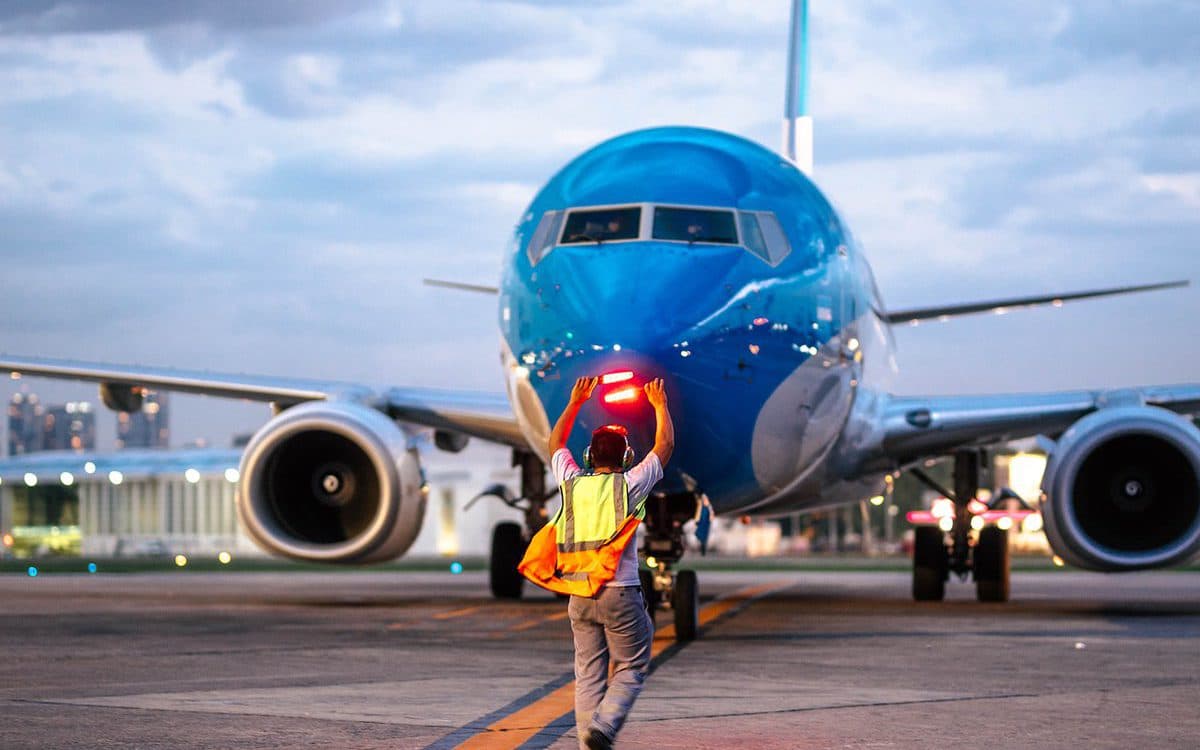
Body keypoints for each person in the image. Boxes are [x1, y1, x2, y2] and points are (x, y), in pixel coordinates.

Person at [525, 375, 674, 750]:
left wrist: (576, 401)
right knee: (631, 667)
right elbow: (665, 445)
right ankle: (604, 727)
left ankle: (585, 742)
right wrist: (659, 405)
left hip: (579, 594)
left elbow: (555, 443)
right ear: (626, 458)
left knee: (588, 674)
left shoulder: (571, 484)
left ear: (590, 457)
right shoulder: (629, 484)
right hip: (621, 592)